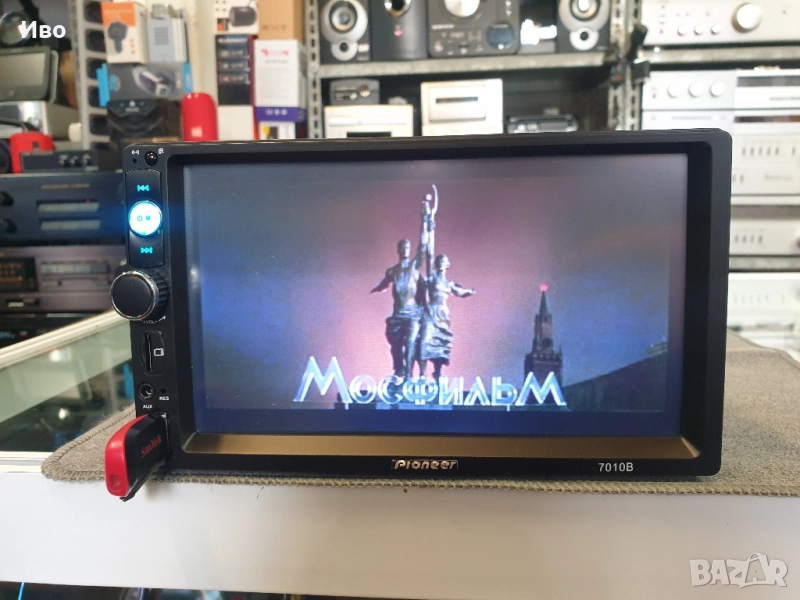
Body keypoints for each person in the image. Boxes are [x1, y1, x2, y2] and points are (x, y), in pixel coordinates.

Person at [370, 205, 431, 379]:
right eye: (403, 247)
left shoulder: (414, 267)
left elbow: (423, 245)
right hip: (397, 315)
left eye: (407, 247)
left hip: (412, 314)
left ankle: (409, 377)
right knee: (395, 345)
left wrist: (424, 220)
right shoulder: (392, 271)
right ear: (398, 250)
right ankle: (400, 369)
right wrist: (378, 289)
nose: (405, 250)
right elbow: (385, 283)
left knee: (410, 344)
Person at [420, 253, 476, 381]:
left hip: (442, 313)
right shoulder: (432, 277)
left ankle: (437, 372)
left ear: (448, 265)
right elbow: (429, 256)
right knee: (425, 340)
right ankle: (422, 374)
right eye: (439, 261)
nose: (441, 263)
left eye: (444, 261)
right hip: (431, 311)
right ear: (436, 263)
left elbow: (459, 291)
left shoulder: (449, 283)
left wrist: (469, 291)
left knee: (440, 343)